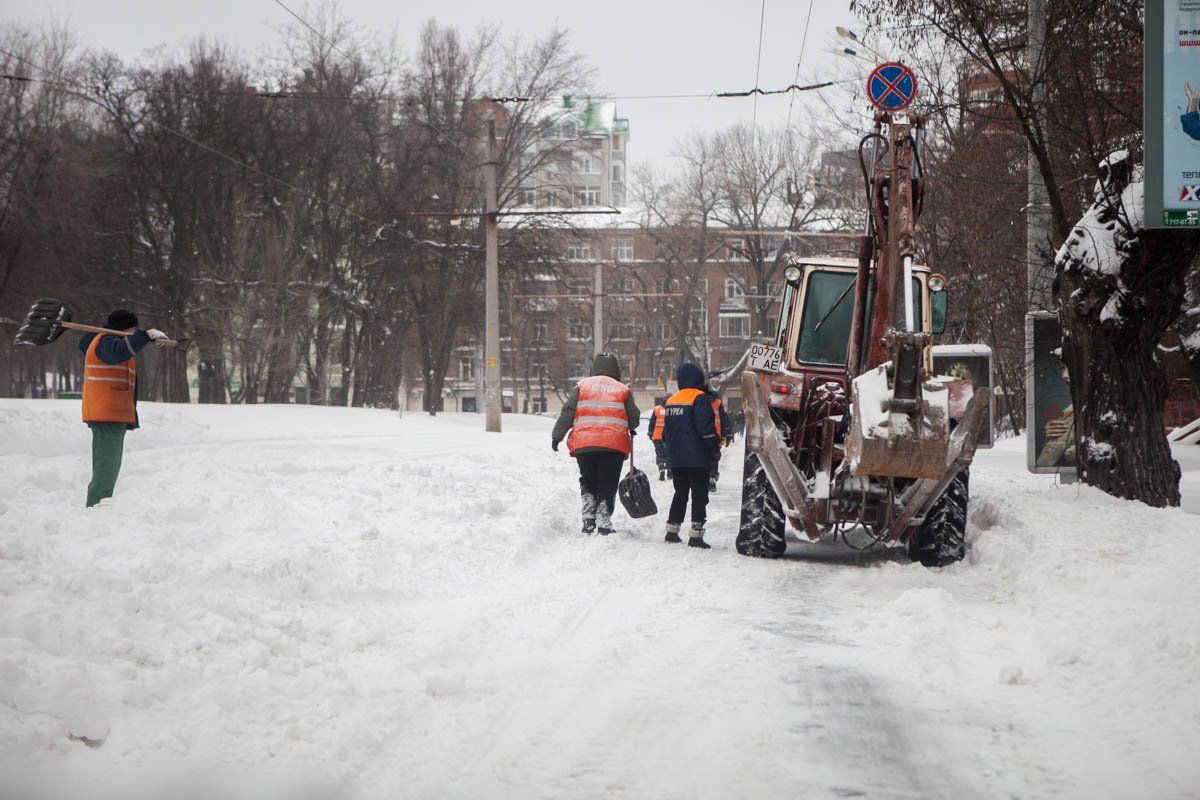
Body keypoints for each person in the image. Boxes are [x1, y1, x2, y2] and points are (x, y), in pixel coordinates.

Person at [79, 309, 170, 507]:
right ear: (124, 328)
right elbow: (119, 351)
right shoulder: (104, 342)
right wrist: (145, 336)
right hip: (106, 414)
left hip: (111, 414)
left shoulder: (106, 341)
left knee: (109, 465)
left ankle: (99, 505)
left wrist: (144, 339)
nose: (134, 331)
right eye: (132, 329)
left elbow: (124, 348)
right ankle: (95, 507)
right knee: (107, 466)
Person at [551, 353, 640, 534]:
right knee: (607, 482)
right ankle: (604, 521)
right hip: (612, 445)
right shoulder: (622, 390)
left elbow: (568, 411)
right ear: (616, 370)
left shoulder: (582, 386)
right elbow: (634, 419)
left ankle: (588, 518)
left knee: (588, 480)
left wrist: (557, 435)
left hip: (585, 445)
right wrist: (631, 423)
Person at [661, 363, 720, 549]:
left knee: (680, 493)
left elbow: (664, 433)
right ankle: (696, 535)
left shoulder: (671, 401)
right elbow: (705, 428)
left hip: (676, 459)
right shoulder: (699, 398)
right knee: (699, 494)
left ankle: (672, 531)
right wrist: (714, 445)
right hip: (697, 458)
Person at [704, 384, 733, 493]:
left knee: (704, 457)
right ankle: (712, 477)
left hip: (703, 436)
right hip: (716, 436)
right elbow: (725, 420)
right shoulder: (717, 402)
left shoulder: (699, 401)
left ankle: (706, 478)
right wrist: (728, 434)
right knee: (714, 457)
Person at [649, 396, 669, 481]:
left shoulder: (657, 409)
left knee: (660, 453)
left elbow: (652, 423)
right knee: (669, 454)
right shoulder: (672, 410)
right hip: (668, 437)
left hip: (657, 436)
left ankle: (661, 468)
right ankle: (669, 471)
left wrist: (650, 433)